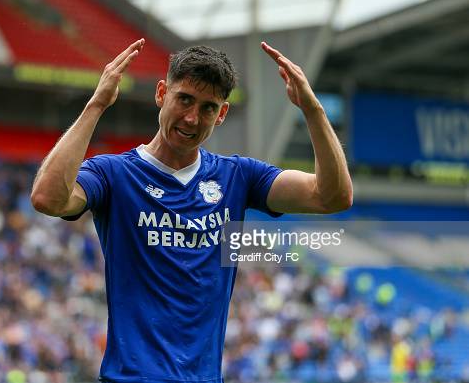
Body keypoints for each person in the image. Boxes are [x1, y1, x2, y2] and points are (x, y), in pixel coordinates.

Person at [31, 39, 353, 383]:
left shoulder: (238, 176)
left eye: (208, 108)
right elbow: (48, 198)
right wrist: (96, 105)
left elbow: (331, 196)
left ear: (222, 113)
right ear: (161, 94)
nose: (191, 118)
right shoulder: (114, 173)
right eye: (184, 99)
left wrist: (313, 111)